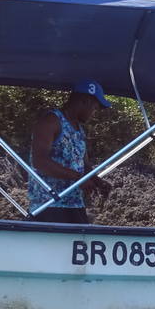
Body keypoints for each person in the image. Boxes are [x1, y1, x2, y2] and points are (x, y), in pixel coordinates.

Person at [28, 80, 112, 223]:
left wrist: (97, 181)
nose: (94, 113)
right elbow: (40, 160)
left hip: (75, 205)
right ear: (84, 101)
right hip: (49, 205)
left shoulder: (79, 129)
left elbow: (83, 164)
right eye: (95, 108)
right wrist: (77, 179)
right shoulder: (51, 121)